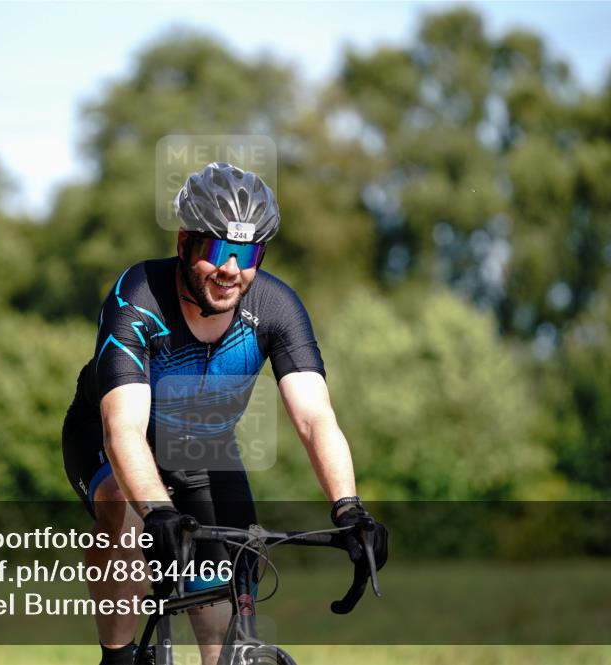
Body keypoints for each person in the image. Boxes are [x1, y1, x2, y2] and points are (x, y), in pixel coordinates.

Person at [62, 162, 386, 665]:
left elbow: (315, 418)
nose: (231, 269)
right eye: (217, 250)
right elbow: (121, 429)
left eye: (246, 252)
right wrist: (158, 510)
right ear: (184, 242)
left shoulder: (276, 308)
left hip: (203, 449)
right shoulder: (139, 296)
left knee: (224, 631)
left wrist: (348, 507)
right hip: (111, 438)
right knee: (122, 509)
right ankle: (119, 656)